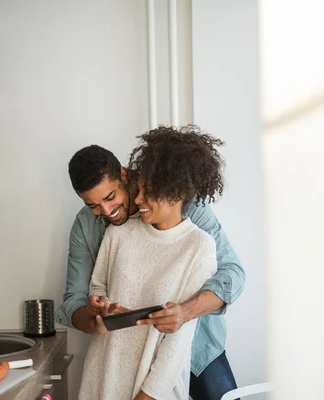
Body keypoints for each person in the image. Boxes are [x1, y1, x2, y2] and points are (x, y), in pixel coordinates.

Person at [56, 125, 245, 399]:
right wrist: (94, 314)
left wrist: (185, 312)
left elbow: (233, 274)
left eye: (110, 197)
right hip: (125, 357)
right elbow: (75, 299)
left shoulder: (182, 201)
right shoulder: (93, 228)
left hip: (197, 347)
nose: (106, 212)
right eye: (93, 205)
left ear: (123, 174)